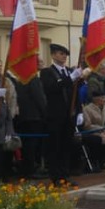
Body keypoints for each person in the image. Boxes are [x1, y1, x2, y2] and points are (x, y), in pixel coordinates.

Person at [40, 43, 81, 184]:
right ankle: (56, 177)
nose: (64, 56)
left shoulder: (69, 71)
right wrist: (71, 78)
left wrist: (79, 111)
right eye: (60, 54)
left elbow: (75, 94)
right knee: (55, 147)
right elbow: (51, 88)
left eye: (65, 54)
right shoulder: (47, 72)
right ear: (53, 55)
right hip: (55, 116)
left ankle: (65, 175)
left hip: (69, 115)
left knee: (66, 146)